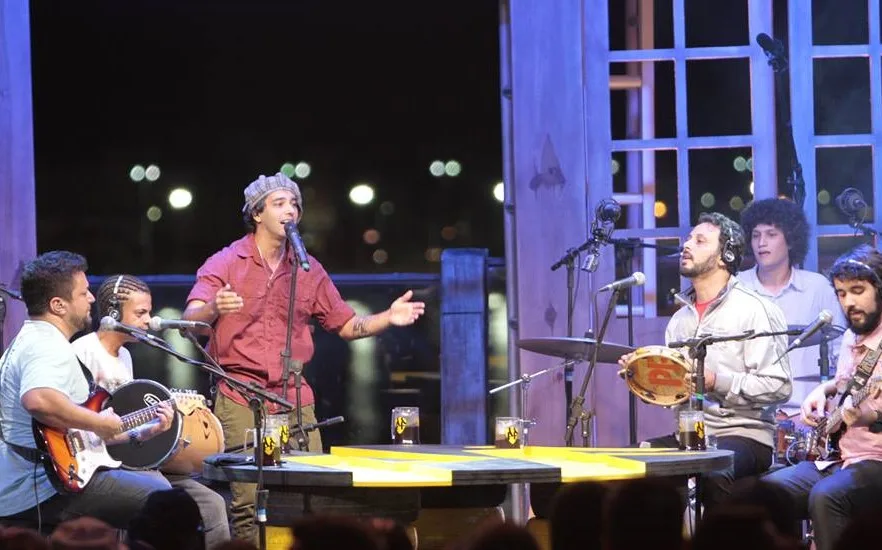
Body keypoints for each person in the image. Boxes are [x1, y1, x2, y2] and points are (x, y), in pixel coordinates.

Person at [182, 173, 426, 542]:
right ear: (257, 214)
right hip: (241, 397)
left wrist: (387, 319)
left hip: (296, 398)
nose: (290, 211)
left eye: (294, 204)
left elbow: (346, 324)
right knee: (249, 502)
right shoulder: (227, 262)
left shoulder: (307, 268)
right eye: (279, 204)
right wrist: (214, 307)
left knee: (312, 497)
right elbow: (189, 321)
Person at [618, 212, 792, 509]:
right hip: (690, 435)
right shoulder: (679, 320)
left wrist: (716, 381)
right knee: (626, 469)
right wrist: (645, 378)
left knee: (711, 469)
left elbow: (778, 386)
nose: (687, 245)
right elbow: (679, 393)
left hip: (744, 436)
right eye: (688, 239)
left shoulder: (755, 309)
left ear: (725, 254)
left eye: (700, 241)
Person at [0, 252, 173, 531]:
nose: (92, 299)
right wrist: (98, 421)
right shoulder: (45, 345)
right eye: (83, 293)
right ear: (58, 305)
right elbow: (38, 400)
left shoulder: (34, 339)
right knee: (166, 503)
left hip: (43, 478)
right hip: (42, 489)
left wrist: (136, 433)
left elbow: (74, 435)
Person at [71, 274, 231, 548]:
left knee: (213, 502)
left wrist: (151, 429)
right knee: (165, 501)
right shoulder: (83, 352)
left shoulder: (124, 356)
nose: (148, 320)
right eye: (140, 313)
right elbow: (78, 423)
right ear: (112, 313)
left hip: (127, 458)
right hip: (94, 466)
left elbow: (123, 425)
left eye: (149, 312)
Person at [764, 245, 882, 550]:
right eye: (842, 293)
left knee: (826, 496)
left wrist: (866, 414)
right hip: (842, 456)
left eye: (858, 291)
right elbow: (846, 383)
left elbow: (872, 407)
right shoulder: (850, 336)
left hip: (877, 460)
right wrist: (823, 390)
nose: (849, 302)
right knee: (769, 491)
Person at [738, 198, 845, 417]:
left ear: (790, 241)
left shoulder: (818, 288)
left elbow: (840, 355)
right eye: (756, 235)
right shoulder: (737, 288)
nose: (761, 243)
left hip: (806, 414)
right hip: (749, 417)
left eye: (771, 234)